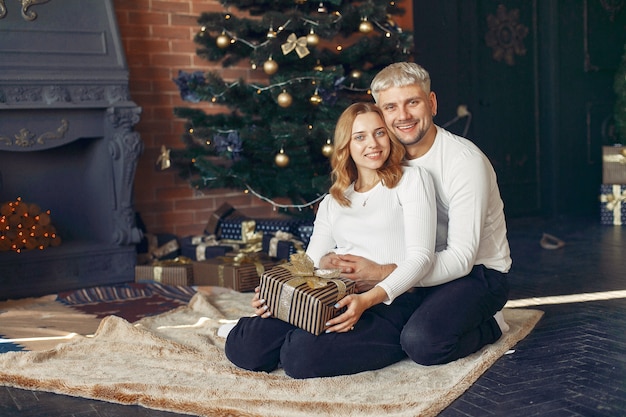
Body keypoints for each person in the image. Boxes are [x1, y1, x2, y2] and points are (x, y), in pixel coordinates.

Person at [225, 102, 437, 378]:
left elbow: (422, 258)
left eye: (380, 133)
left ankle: (389, 343)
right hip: (334, 294)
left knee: (300, 357)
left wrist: (367, 300)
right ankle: (296, 332)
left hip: (390, 301)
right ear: (346, 145)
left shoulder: (411, 180)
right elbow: (309, 263)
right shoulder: (334, 200)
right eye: (359, 137)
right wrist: (276, 294)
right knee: (245, 345)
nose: (372, 144)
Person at [320, 62, 512, 366]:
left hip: (476, 273)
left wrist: (383, 275)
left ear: (432, 103)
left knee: (423, 343)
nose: (403, 116)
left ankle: (491, 325)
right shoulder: (382, 158)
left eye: (413, 102)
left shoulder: (463, 162)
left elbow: (461, 257)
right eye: (391, 107)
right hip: (415, 269)